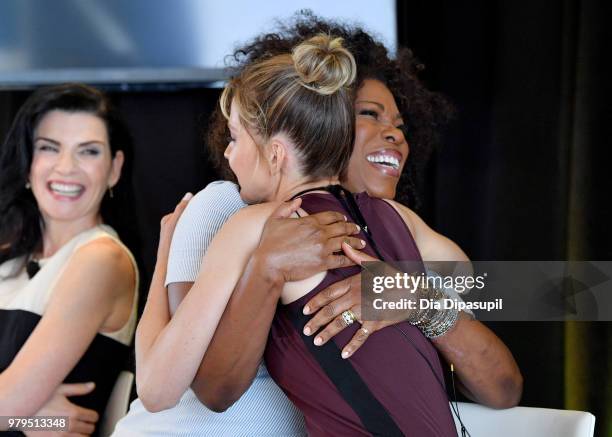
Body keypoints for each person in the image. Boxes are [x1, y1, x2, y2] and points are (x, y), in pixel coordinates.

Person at [136, 33, 464, 435]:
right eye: (368, 114)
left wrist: (420, 301)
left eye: (235, 137)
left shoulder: (383, 220)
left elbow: (158, 388)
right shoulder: (228, 207)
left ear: (275, 152)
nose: (395, 135)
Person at [0, 84, 139, 436]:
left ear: (114, 168)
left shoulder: (101, 259)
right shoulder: (9, 257)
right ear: (28, 160)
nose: (66, 168)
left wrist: (15, 413)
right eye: (49, 148)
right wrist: (21, 419)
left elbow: (13, 399)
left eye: (88, 152)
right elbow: (12, 410)